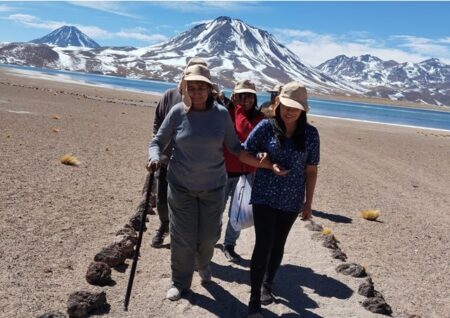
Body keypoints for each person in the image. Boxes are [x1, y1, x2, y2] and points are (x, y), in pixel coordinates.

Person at [147, 64, 243, 301]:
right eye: (192, 87)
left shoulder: (221, 114)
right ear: (185, 89)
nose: (197, 92)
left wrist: (259, 157)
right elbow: (157, 142)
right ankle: (179, 281)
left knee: (209, 236)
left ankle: (203, 263)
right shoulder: (178, 112)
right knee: (181, 237)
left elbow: (235, 146)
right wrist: (154, 157)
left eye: (202, 87)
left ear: (210, 89)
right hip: (180, 187)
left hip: (213, 188)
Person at [238, 81, 320, 317]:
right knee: (263, 244)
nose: (289, 110)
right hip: (265, 194)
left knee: (278, 244)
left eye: (295, 107)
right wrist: (265, 164)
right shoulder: (266, 127)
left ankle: (267, 284)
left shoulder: (311, 135)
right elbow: (244, 153)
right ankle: (254, 299)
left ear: (303, 109)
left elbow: (311, 170)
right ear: (278, 103)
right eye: (286, 104)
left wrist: (308, 203)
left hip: (292, 199)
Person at [149, 57, 207, 248]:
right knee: (162, 201)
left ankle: (182, 236)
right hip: (166, 161)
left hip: (191, 166)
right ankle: (164, 226)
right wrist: (157, 149)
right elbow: (157, 122)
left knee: (187, 204)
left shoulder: (207, 102)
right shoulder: (169, 95)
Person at [222, 79, 264, 262]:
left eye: (249, 96)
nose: (245, 99)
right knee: (214, 211)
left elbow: (245, 132)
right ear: (233, 96)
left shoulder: (259, 119)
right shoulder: (223, 113)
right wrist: (235, 108)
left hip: (246, 174)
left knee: (238, 213)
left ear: (255, 98)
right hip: (222, 171)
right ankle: (209, 240)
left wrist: (238, 110)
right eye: (241, 95)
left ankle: (229, 245)